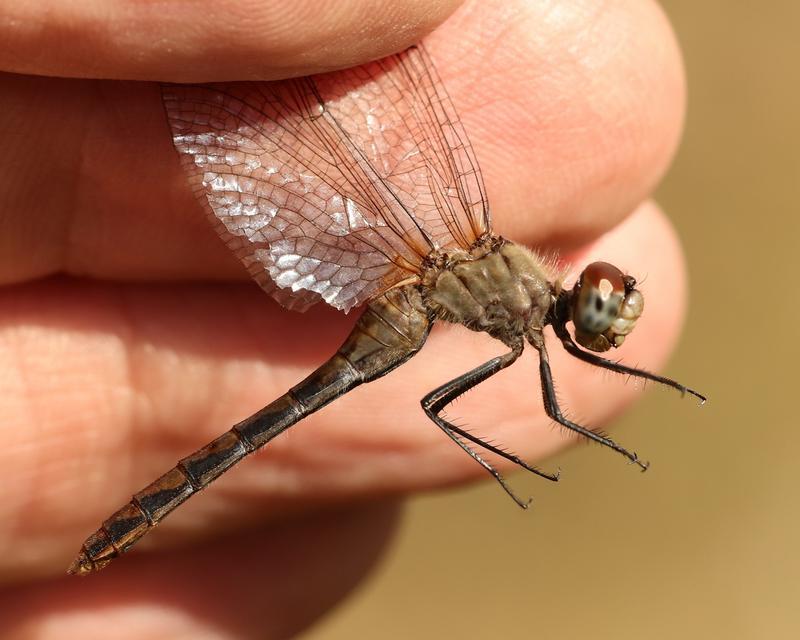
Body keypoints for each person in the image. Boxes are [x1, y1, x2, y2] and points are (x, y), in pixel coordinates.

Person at [0, 0, 688, 636]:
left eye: (607, 311)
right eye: (607, 307)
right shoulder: (520, 303)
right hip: (407, 306)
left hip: (413, 305)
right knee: (419, 414)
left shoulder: (526, 314)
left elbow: (520, 402)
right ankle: (130, 522)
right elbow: (534, 409)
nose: (606, 319)